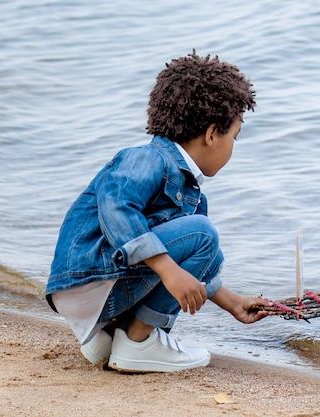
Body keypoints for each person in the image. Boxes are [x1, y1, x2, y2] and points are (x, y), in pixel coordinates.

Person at [45, 51, 272, 373]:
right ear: (211, 134)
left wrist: (233, 302)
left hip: (93, 291)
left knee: (205, 248)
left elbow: (191, 266)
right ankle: (138, 341)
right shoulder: (146, 158)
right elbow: (118, 207)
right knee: (202, 236)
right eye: (233, 137)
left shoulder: (186, 188)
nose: (233, 147)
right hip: (88, 282)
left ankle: (107, 336)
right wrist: (167, 269)